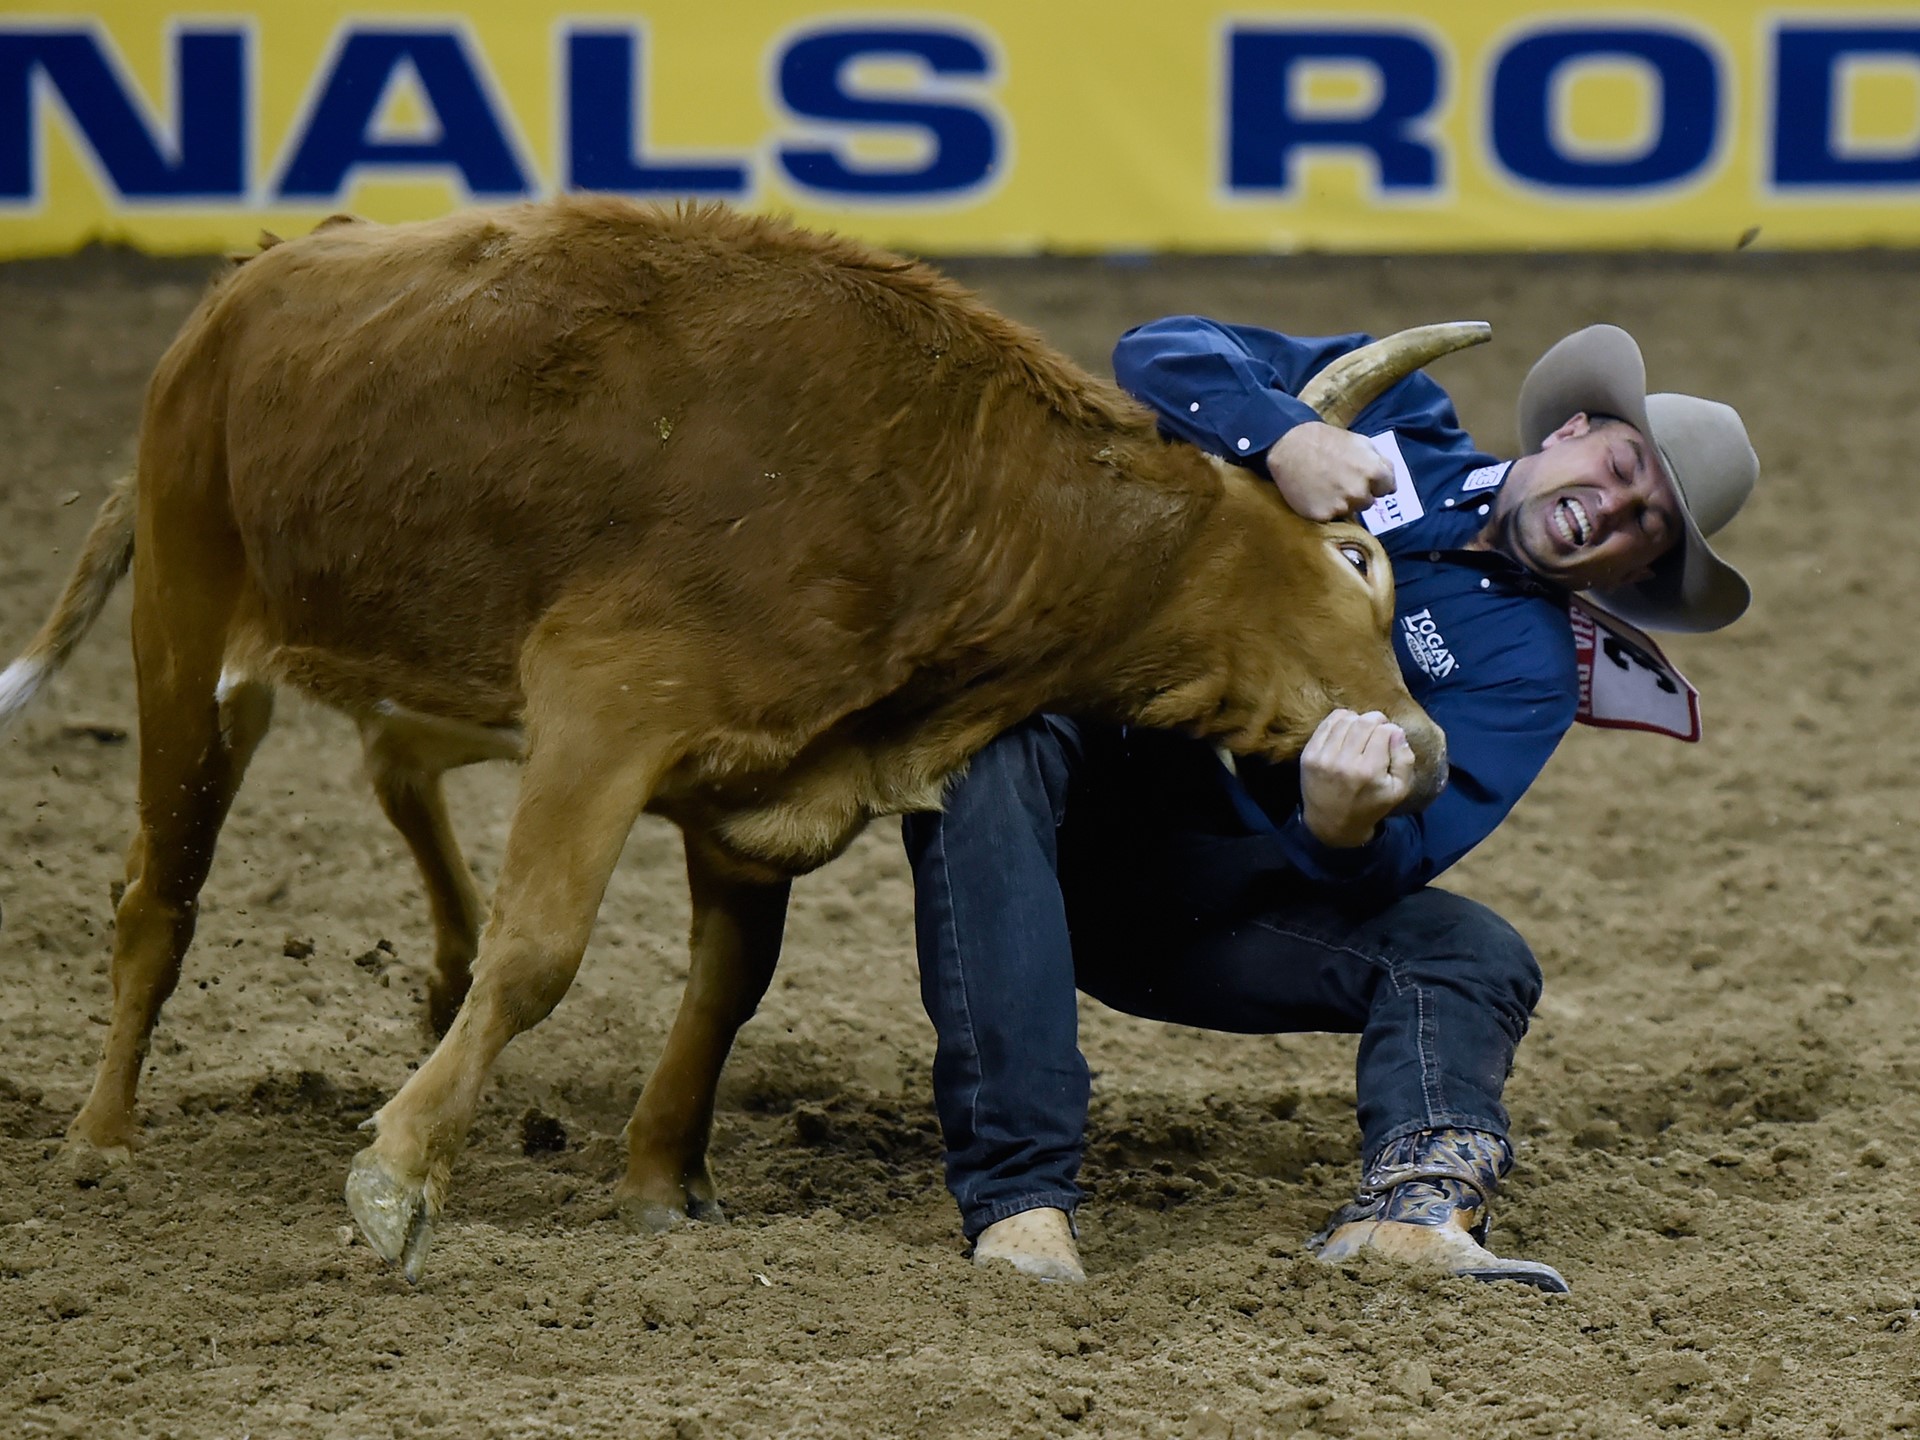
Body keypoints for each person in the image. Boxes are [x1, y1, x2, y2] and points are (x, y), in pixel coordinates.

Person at [901, 320, 1759, 1292]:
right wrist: (1283, 436)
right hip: (1049, 797)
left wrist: (1342, 826)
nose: (1611, 507)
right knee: (994, 724)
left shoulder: (1527, 674)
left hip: (1201, 908)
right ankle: (1022, 1201)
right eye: (1623, 465)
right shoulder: (1394, 410)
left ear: (1635, 572)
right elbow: (1162, 347)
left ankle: (1417, 1211)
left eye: (1646, 521)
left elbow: (1406, 851)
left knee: (1474, 956)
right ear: (1571, 430)